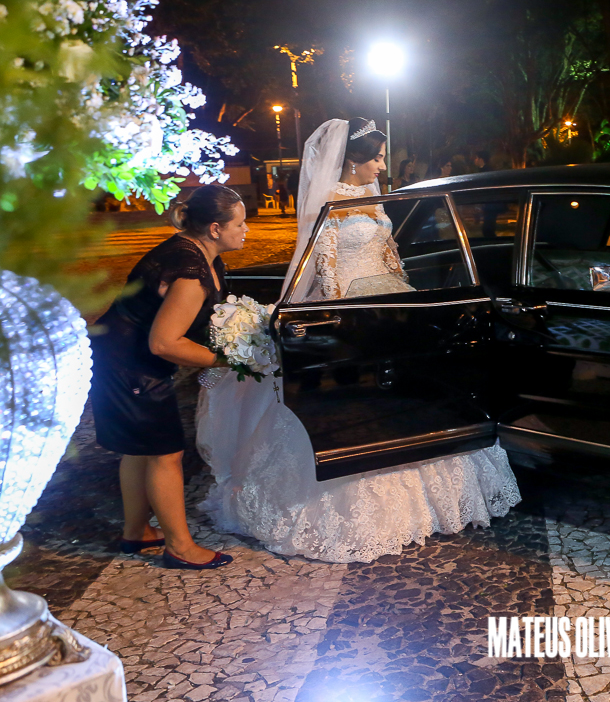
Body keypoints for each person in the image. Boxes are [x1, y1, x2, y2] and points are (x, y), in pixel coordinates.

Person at [195, 117, 521, 563]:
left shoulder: (373, 195)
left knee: (415, 396)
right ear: (353, 160)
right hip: (354, 307)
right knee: (362, 403)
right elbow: (326, 265)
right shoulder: (328, 200)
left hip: (389, 301)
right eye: (378, 158)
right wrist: (344, 323)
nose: (383, 166)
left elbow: (390, 256)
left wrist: (407, 303)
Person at [90, 184, 246, 571]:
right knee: (166, 452)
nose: (247, 230)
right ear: (214, 228)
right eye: (240, 224)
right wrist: (226, 360)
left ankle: (136, 532)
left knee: (139, 449)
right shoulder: (190, 270)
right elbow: (163, 342)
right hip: (129, 365)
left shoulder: (198, 254)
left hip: (119, 357)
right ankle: (179, 547)